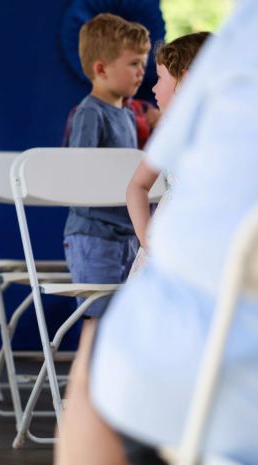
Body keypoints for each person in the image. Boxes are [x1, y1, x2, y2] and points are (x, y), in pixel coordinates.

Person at [55, 2, 258, 465]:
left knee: (97, 351)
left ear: (187, 82)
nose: (149, 82)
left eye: (158, 74)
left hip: (180, 386)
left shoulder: (235, 55)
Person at [63, 13, 150, 324]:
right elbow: (80, 178)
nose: (142, 71)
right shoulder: (89, 114)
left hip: (125, 235)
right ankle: (86, 373)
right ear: (101, 69)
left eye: (143, 62)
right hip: (94, 235)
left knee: (120, 321)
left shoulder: (127, 116)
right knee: (97, 319)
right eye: (134, 63)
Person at [126, 32, 210, 274]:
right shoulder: (172, 133)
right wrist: (145, 237)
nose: (152, 87)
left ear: (185, 79)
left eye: (160, 77)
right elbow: (137, 186)